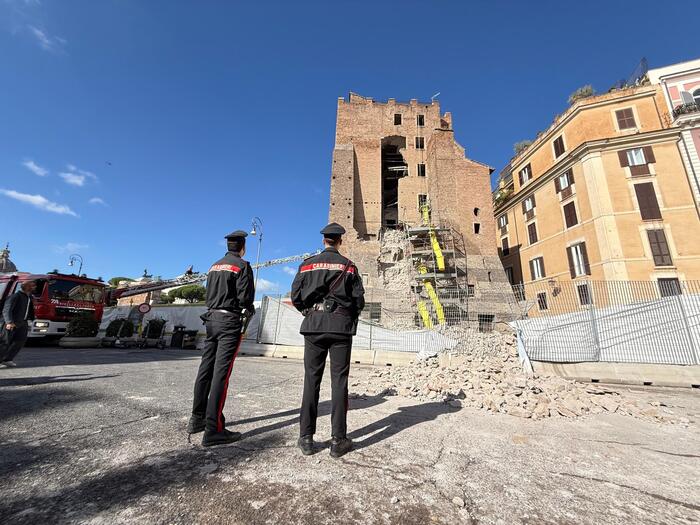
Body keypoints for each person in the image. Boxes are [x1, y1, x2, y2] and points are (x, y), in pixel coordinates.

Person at [291, 222, 365, 458]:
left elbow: (296, 296)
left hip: (314, 326)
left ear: (324, 240)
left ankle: (306, 438)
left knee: (311, 381)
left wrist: (309, 311)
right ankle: (338, 440)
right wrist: (346, 315)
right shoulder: (349, 266)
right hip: (341, 328)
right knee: (339, 382)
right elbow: (359, 301)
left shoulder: (307, 265)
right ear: (340, 241)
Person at [189, 230, 255, 447]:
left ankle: (196, 418)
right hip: (228, 322)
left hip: (211, 319)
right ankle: (214, 429)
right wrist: (248, 308)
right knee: (221, 375)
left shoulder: (214, 266)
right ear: (243, 247)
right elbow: (245, 297)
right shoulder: (242, 266)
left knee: (205, 369)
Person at [0, 280, 36, 369]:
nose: (34, 287)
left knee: (20, 341)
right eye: (32, 286)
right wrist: (9, 322)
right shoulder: (15, 296)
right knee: (5, 342)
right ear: (27, 287)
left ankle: (7, 359)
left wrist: (30, 319)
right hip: (11, 322)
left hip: (23, 323)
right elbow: (6, 309)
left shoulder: (29, 297)